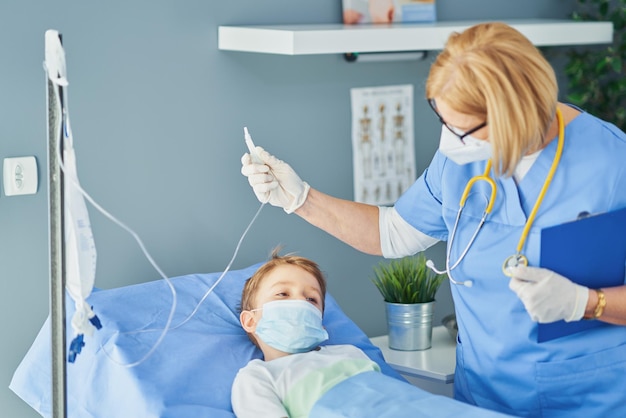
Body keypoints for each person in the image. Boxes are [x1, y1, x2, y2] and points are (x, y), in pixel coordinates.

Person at [240, 22, 626, 417]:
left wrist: (586, 302)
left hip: (586, 397)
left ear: (514, 114)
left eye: (461, 129)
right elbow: (390, 233)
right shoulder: (459, 160)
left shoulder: (613, 166)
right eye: (443, 119)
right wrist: (301, 198)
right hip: (482, 396)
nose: (449, 142)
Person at [231, 248, 381, 418]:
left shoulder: (351, 353)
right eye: (283, 293)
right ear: (250, 321)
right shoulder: (257, 378)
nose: (301, 301)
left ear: (320, 324)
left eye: (311, 299)